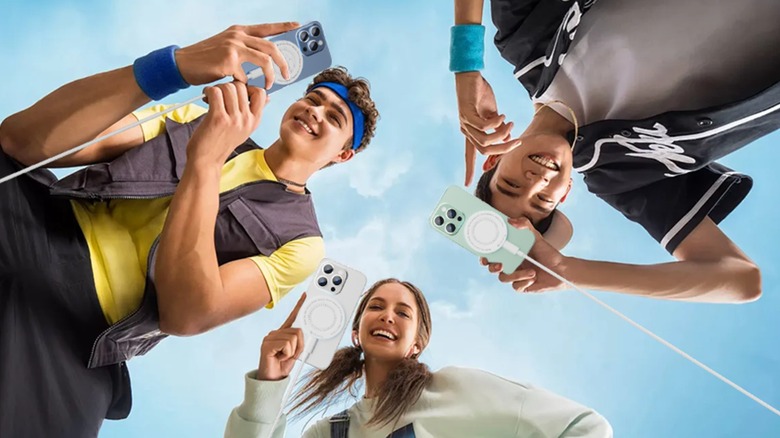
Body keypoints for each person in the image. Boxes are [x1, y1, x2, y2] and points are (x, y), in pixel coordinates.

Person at [0, 22, 378, 437]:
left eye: (334, 116)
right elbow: (24, 142)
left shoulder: (303, 243)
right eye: (313, 99)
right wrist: (171, 68)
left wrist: (206, 162)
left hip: (88, 330)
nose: (314, 111)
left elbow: (186, 315)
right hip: (43, 229)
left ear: (344, 153)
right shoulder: (202, 117)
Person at [450, 0, 780, 302]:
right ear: (564, 193)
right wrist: (567, 271)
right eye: (543, 200)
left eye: (512, 184)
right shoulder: (625, 177)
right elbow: (741, 279)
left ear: (493, 159)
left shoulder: (525, 37)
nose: (536, 181)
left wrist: (466, 66)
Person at [224, 279, 613, 437]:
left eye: (403, 312)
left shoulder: (456, 388)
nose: (387, 315)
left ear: (416, 344)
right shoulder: (331, 433)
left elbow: (585, 427)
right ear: (356, 332)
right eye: (375, 306)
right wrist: (269, 384)